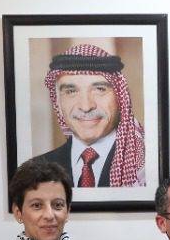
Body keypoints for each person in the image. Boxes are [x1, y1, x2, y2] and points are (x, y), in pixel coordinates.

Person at [37, 43, 146, 187]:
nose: (86, 106)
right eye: (71, 91)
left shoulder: (145, 165)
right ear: (58, 101)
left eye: (100, 89)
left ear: (120, 97)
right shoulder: (37, 170)